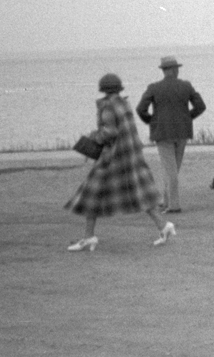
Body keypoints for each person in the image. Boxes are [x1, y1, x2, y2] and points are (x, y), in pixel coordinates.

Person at [65, 73, 175, 251]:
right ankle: (164, 226)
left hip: (113, 159)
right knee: (140, 194)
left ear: (103, 89)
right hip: (131, 157)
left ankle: (88, 237)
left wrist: (95, 137)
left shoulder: (107, 107)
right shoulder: (124, 104)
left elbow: (110, 132)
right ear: (118, 88)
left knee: (91, 195)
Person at [137, 55, 206, 213]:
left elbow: (141, 109)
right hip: (182, 132)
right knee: (174, 169)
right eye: (177, 69)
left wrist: (151, 121)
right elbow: (201, 106)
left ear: (163, 71)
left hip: (162, 132)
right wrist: (188, 117)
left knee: (170, 170)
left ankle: (173, 205)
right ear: (175, 70)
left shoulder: (153, 87)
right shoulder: (186, 86)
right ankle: (167, 200)